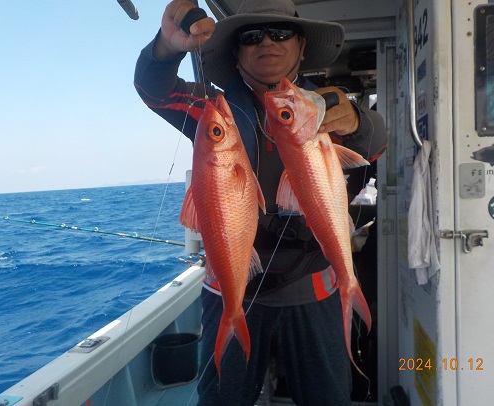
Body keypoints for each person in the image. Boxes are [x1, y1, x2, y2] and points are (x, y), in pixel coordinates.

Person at [134, 0, 387, 404]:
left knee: (328, 397)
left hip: (314, 288)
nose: (266, 42)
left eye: (281, 33)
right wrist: (167, 45)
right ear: (236, 51)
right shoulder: (214, 112)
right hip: (230, 289)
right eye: (251, 36)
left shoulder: (323, 109)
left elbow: (375, 143)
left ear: (302, 47)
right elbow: (155, 89)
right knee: (222, 398)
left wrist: (358, 119)